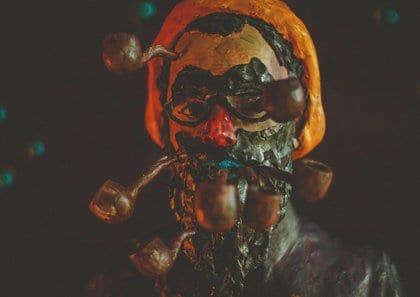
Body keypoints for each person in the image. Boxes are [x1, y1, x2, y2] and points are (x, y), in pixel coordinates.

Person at [85, 1, 402, 296]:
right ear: (163, 124)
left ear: (298, 123)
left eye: (253, 103)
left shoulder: (366, 283)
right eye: (192, 106)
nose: (219, 134)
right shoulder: (118, 286)